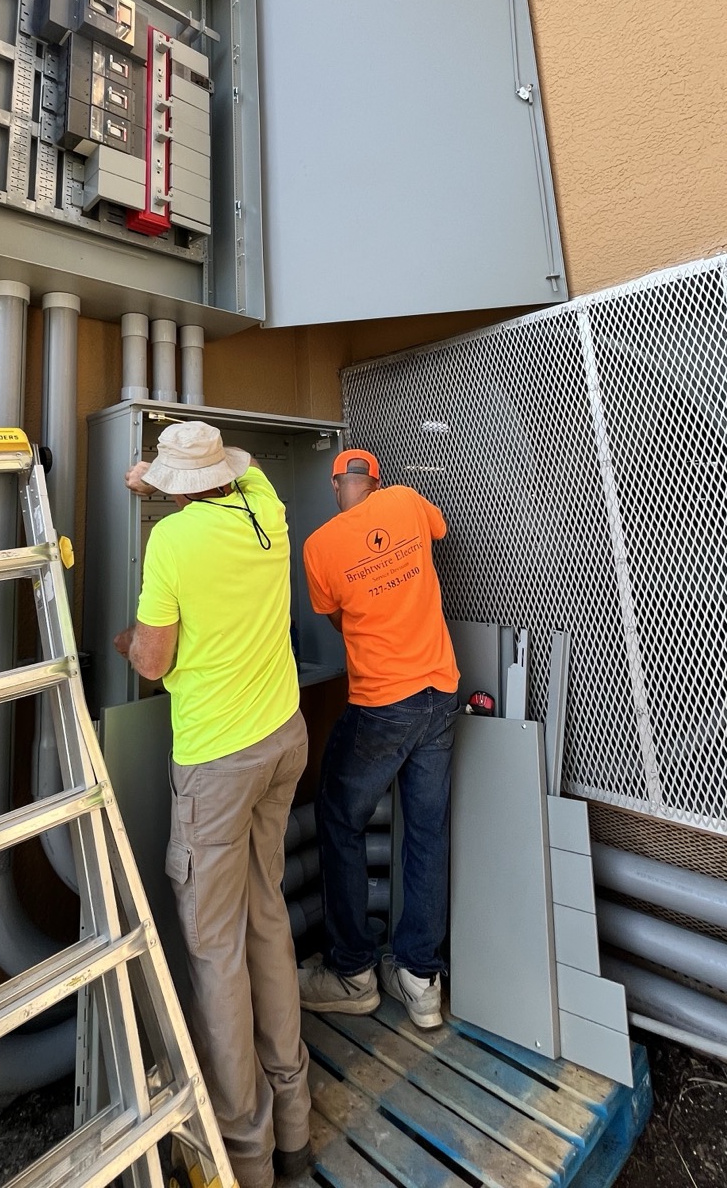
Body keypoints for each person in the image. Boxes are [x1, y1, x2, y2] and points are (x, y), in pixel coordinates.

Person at [115, 419, 311, 1188]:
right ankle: (293, 1127)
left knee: (216, 947)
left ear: (178, 490)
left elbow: (154, 660)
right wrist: (161, 478)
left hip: (218, 763)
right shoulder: (267, 511)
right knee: (268, 919)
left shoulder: (172, 545)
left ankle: (245, 1153)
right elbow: (251, 469)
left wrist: (133, 638)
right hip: (283, 739)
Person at [297, 449, 459, 1030]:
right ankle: (421, 981)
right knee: (425, 831)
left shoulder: (320, 546)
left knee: (340, 819)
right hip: (440, 694)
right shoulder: (407, 501)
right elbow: (437, 532)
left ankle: (352, 973)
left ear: (337, 484)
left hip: (381, 705)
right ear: (376, 481)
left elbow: (338, 620)